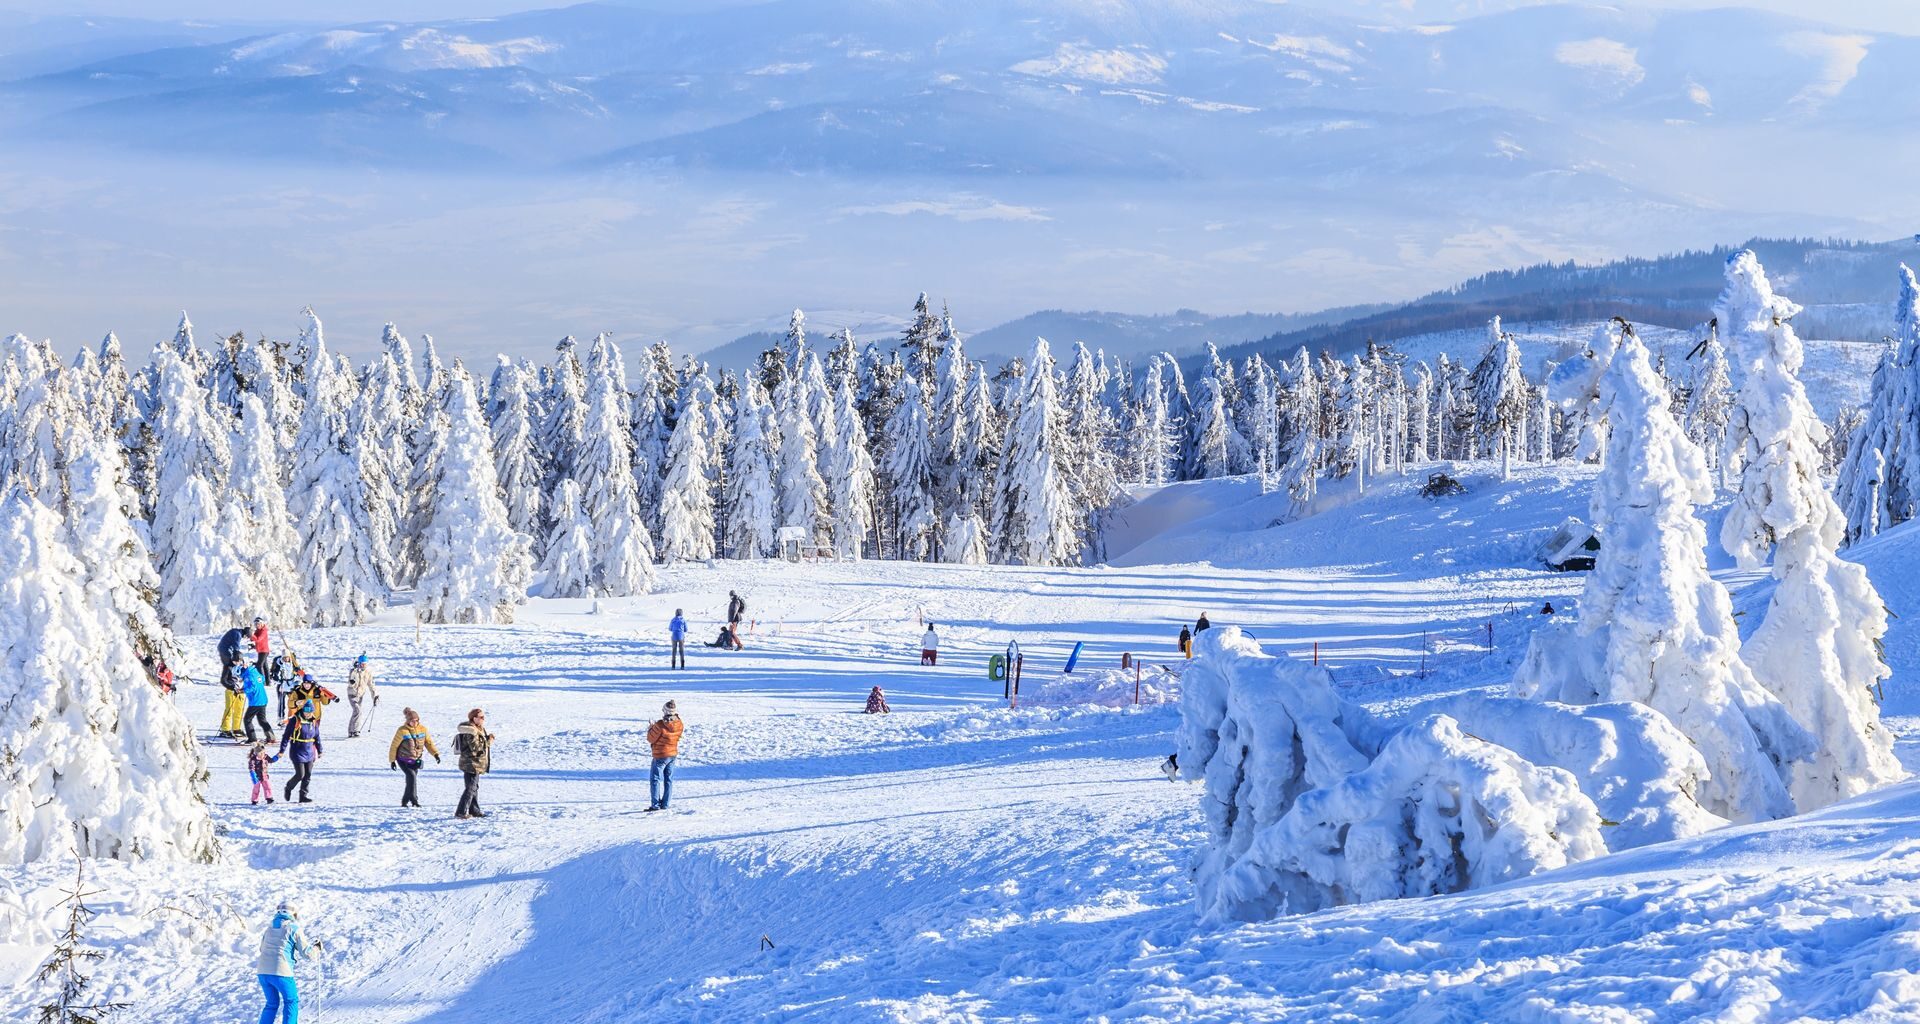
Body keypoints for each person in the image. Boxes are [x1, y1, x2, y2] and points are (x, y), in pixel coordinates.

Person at [255, 900, 317, 1024]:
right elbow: (307, 953)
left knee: (271, 1003)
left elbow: (262, 948)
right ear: (293, 913)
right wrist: (316, 948)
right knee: (291, 1001)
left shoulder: (269, 929)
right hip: (282, 972)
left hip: (262, 972)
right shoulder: (293, 928)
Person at [388, 708, 442, 809]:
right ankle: (410, 801)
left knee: (412, 780)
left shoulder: (423, 729)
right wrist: (392, 761)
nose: (415, 722)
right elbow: (394, 746)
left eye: (416, 720)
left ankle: (410, 801)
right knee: (412, 777)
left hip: (415, 760)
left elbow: (428, 743)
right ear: (408, 721)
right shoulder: (402, 730)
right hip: (403, 759)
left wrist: (435, 754)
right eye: (412, 720)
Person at [278, 702, 323, 803]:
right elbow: (286, 736)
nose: (307, 713)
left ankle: (303, 796)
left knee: (308, 775)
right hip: (297, 750)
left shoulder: (313, 721)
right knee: (300, 774)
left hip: (309, 751)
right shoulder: (295, 720)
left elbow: (317, 736)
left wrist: (320, 750)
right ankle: (288, 787)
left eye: (310, 711)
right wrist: (281, 750)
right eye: (306, 711)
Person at [454, 708, 493, 820]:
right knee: (470, 788)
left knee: (473, 787)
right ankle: (460, 812)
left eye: (483, 717)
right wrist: (489, 741)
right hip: (471, 764)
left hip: (476, 763)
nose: (483, 719)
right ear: (474, 718)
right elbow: (475, 748)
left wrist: (486, 738)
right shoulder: (471, 731)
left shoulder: (479, 729)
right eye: (481, 717)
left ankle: (474, 810)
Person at [646, 701, 683, 812]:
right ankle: (665, 804)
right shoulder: (679, 723)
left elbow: (650, 738)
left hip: (660, 755)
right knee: (668, 779)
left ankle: (655, 805)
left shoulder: (660, 725)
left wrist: (651, 728)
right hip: (672, 754)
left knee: (655, 779)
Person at [346, 655, 378, 738]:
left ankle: (353, 731)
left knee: (357, 712)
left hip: (360, 695)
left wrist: (375, 696)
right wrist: (352, 681)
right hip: (352, 694)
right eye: (362, 664)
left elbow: (371, 685)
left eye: (365, 664)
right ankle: (353, 730)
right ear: (359, 663)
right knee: (358, 711)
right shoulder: (354, 671)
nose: (364, 665)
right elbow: (350, 682)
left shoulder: (368, 673)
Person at [241, 662, 273, 743]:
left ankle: (252, 739)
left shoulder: (249, 675)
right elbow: (262, 679)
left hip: (256, 701)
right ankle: (271, 737)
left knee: (247, 720)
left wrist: (243, 690)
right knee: (262, 720)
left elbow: (252, 687)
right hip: (263, 699)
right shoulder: (255, 672)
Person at [219, 653, 248, 739]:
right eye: (235, 661)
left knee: (239, 710)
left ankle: (236, 728)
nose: (237, 663)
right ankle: (225, 729)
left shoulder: (243, 668)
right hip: (231, 691)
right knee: (229, 710)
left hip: (241, 691)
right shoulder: (228, 667)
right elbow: (223, 680)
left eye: (238, 661)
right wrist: (232, 686)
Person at [271, 651, 301, 721]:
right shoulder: (279, 664)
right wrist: (276, 677)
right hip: (282, 685)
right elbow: (274, 674)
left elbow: (299, 675)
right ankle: (281, 718)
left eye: (287, 657)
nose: (286, 659)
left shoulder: (294, 664)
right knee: (281, 703)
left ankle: (295, 717)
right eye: (284, 657)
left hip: (291, 685)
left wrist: (297, 679)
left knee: (293, 702)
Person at [247, 740, 278, 805]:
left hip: (264, 776)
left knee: (267, 787)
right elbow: (251, 768)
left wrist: (277, 757)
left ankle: (269, 798)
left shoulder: (265, 757)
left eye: (263, 753)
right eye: (260, 753)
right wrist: (253, 776)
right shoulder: (253, 759)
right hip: (257, 777)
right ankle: (254, 800)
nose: (262, 755)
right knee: (256, 789)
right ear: (256, 753)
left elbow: (271, 760)